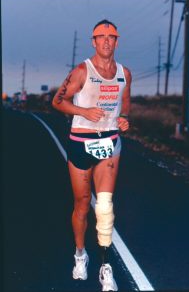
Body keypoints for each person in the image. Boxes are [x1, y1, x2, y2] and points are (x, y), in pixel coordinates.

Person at [52, 19, 131, 291]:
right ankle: (80, 254)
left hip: (110, 142)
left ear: (117, 41)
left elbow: (126, 102)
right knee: (83, 204)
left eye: (111, 37)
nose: (106, 41)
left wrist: (123, 119)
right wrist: (84, 112)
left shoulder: (124, 73)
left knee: (105, 208)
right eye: (101, 36)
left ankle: (105, 267)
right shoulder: (82, 71)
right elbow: (57, 100)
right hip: (81, 143)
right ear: (93, 41)